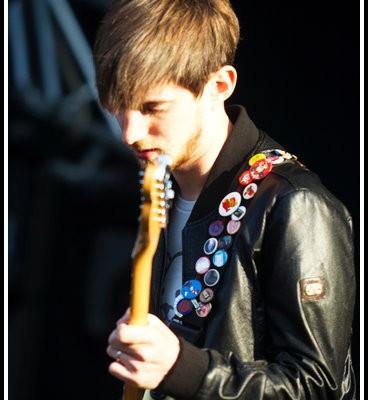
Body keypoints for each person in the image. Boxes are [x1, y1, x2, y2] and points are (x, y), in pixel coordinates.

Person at [93, 0, 356, 399]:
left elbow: (319, 387)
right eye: (118, 107)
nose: (129, 132)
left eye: (152, 107)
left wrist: (183, 369)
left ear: (219, 85)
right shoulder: (160, 185)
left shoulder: (295, 204)